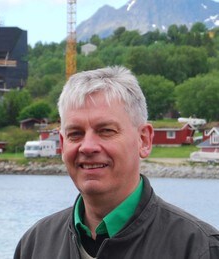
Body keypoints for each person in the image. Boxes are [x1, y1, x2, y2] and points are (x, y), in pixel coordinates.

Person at [14, 66, 219, 259]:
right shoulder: (34, 245)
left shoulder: (198, 249)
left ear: (144, 140)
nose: (88, 147)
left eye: (106, 131)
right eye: (75, 134)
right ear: (62, 143)